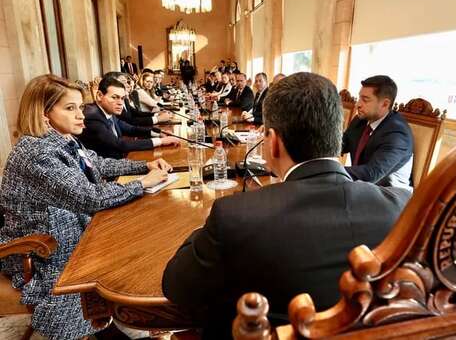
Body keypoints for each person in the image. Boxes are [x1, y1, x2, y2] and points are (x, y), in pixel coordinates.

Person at [162, 72, 411, 339]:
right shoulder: (401, 206)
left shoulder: (235, 216)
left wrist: (207, 225)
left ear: (273, 142)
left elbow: (176, 286)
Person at [0, 74, 171, 339]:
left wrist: (143, 166)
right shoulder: (35, 153)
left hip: (70, 229)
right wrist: (141, 184)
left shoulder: (63, 140)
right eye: (70, 108)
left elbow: (99, 164)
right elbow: (89, 198)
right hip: (43, 251)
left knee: (140, 236)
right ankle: (118, 319)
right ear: (44, 114)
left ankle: (128, 313)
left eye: (80, 107)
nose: (81, 115)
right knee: (131, 245)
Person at [342, 75, 414, 190]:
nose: (358, 104)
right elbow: (340, 144)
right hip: (363, 188)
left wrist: (330, 172)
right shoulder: (360, 120)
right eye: (359, 98)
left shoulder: (398, 135)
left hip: (389, 195)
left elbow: (371, 173)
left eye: (365, 100)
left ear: (385, 104)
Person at [79, 77, 179, 159]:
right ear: (100, 96)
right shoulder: (92, 116)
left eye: (122, 98)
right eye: (114, 97)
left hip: (121, 160)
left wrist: (158, 133)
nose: (120, 103)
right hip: (108, 172)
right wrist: (160, 142)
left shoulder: (108, 110)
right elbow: (119, 144)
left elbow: (130, 129)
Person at [103, 72, 171, 126]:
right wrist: (157, 119)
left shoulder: (124, 99)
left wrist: (156, 114)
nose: (128, 85)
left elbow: (136, 113)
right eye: (124, 82)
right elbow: (130, 121)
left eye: (128, 82)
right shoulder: (114, 103)